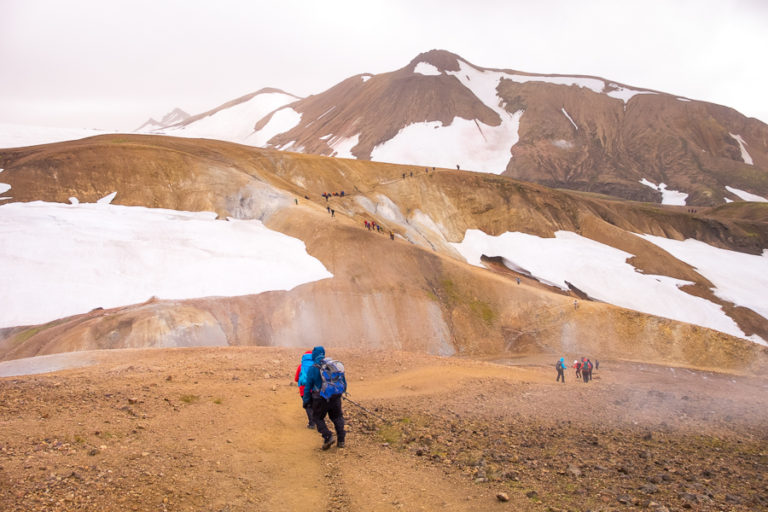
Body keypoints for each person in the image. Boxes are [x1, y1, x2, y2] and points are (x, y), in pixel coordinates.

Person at [303, 346, 347, 450]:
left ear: (314, 355)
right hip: (335, 397)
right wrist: (340, 393)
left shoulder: (313, 368)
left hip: (320, 399)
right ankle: (341, 440)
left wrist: (306, 401)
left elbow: (308, 386)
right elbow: (343, 382)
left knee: (317, 418)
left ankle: (328, 437)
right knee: (337, 417)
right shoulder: (333, 366)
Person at [294, 350, 315, 428]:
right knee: (314, 405)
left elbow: (296, 379)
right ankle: (317, 421)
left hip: (304, 390)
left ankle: (312, 423)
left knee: (308, 406)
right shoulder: (316, 365)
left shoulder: (301, 366)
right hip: (314, 389)